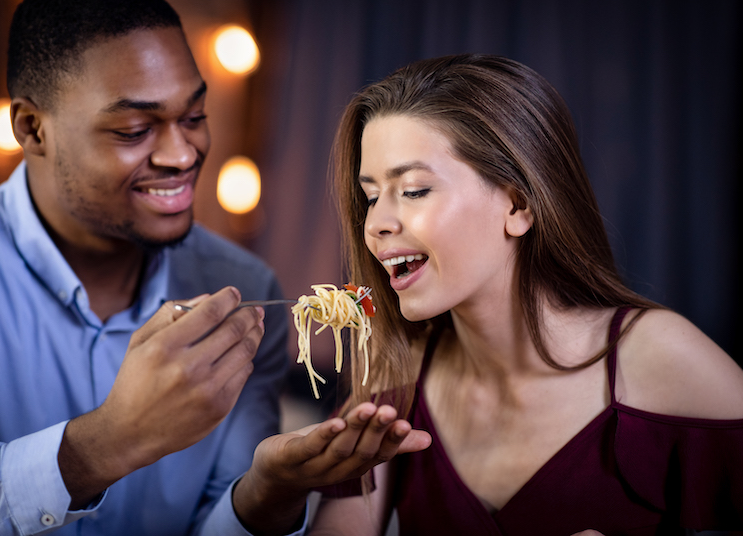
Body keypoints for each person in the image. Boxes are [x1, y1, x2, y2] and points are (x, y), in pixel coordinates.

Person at [0, 0, 429, 534]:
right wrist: (107, 442)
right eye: (134, 128)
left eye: (194, 116)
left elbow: (217, 522)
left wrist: (270, 489)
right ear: (32, 128)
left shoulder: (243, 284)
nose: (182, 153)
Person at [309, 54, 743, 535]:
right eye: (370, 196)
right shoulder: (395, 383)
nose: (375, 225)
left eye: (413, 190)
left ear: (517, 204)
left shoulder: (661, 357)